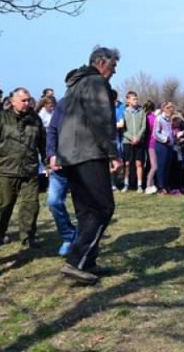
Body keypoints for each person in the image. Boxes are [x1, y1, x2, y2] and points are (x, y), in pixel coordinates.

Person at [57, 47, 122, 285]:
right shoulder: (95, 82)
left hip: (71, 155)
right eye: (113, 66)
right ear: (102, 63)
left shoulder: (75, 84)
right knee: (103, 208)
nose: (114, 72)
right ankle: (76, 262)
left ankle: (87, 261)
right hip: (89, 153)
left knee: (86, 211)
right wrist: (113, 153)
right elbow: (101, 120)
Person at [0, 88, 46, 248]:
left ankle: (28, 237)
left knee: (31, 204)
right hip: (6, 169)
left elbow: (42, 142)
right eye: (23, 100)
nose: (27, 103)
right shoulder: (1, 118)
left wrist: (48, 160)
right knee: (4, 205)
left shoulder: (35, 119)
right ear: (13, 101)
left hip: (29, 168)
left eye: (29, 100)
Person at [46, 97, 77, 256]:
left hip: (82, 164)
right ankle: (69, 235)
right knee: (53, 201)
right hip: (61, 164)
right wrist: (51, 154)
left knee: (85, 206)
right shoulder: (64, 104)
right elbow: (52, 130)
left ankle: (85, 242)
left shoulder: (93, 104)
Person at [121, 92, 147, 193]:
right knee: (127, 163)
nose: (136, 101)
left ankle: (139, 185)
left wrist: (138, 137)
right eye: (133, 99)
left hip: (139, 141)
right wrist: (131, 138)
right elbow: (122, 129)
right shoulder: (124, 112)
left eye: (136, 99)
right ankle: (126, 184)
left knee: (139, 163)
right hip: (127, 141)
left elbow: (143, 126)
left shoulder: (141, 112)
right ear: (128, 100)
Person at [153, 102, 175, 194]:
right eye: (168, 108)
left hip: (169, 145)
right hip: (161, 145)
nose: (170, 110)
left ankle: (166, 185)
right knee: (161, 166)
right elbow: (156, 133)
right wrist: (165, 139)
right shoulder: (159, 119)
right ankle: (160, 187)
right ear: (163, 109)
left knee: (167, 166)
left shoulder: (169, 120)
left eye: (171, 108)